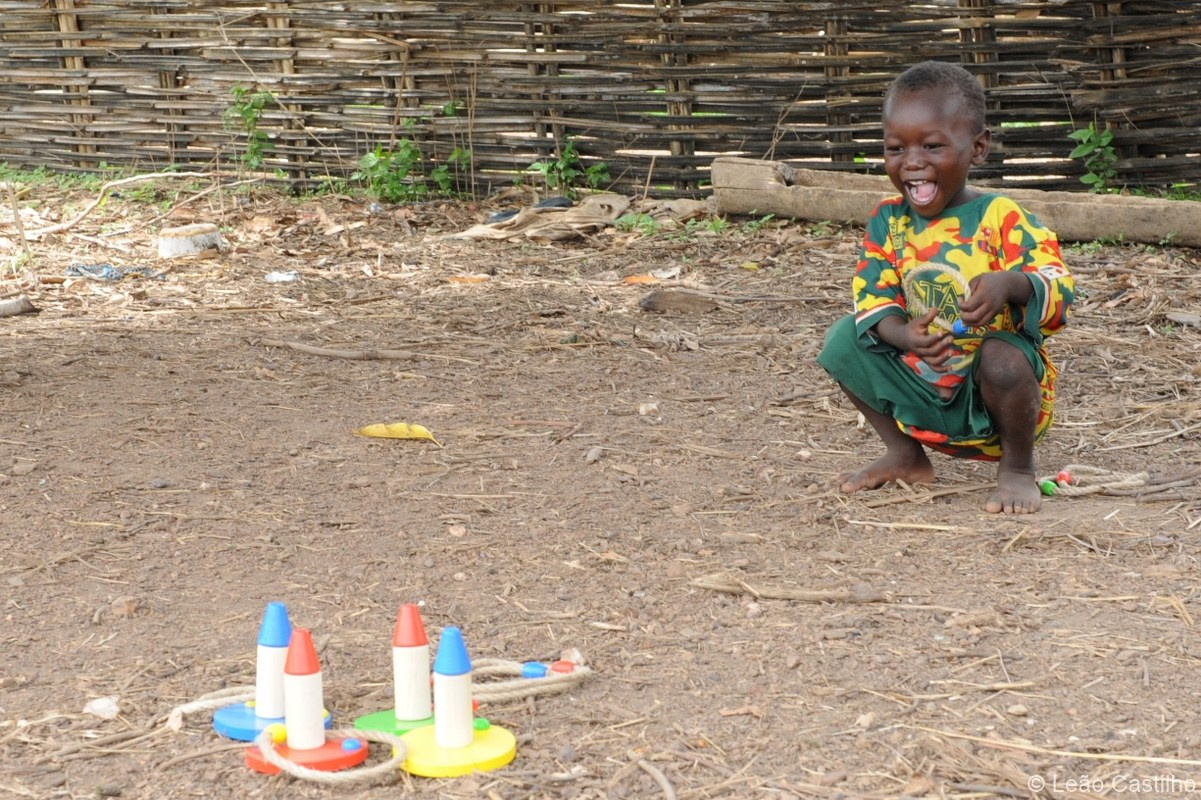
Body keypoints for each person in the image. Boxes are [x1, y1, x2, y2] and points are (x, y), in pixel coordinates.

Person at [816, 61, 1075, 514]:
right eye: (897, 147)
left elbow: (1060, 289)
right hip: (923, 383)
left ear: (977, 148)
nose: (912, 161)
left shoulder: (1001, 217)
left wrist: (1012, 285)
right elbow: (872, 298)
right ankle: (905, 455)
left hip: (996, 395)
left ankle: (1017, 470)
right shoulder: (888, 220)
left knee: (1002, 355)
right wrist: (903, 335)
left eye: (932, 146)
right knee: (842, 339)